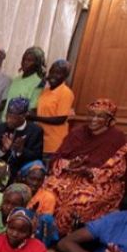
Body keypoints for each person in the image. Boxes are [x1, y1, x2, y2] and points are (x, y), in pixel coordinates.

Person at [45, 99, 127, 235]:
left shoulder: (117, 137)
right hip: (69, 174)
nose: (93, 119)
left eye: (100, 116)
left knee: (79, 200)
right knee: (49, 191)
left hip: (101, 180)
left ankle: (69, 236)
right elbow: (57, 157)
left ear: (108, 119)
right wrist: (69, 164)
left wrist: (90, 172)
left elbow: (117, 168)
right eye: (91, 115)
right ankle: (44, 231)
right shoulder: (77, 132)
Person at [27, 59, 74, 156]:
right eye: (52, 72)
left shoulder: (66, 93)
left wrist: (34, 118)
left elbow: (60, 119)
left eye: (58, 73)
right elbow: (42, 109)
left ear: (65, 76)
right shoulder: (46, 91)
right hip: (40, 140)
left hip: (54, 144)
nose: (53, 76)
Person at [1, 46, 46, 120]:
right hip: (5, 121)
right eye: (24, 59)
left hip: (19, 125)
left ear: (37, 64)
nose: (25, 62)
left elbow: (32, 109)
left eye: (29, 60)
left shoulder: (39, 83)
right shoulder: (16, 79)